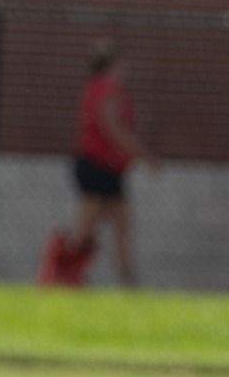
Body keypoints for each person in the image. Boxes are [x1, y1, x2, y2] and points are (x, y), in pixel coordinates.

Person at [57, 41, 156, 286]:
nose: (127, 68)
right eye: (123, 63)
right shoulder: (105, 88)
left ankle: (126, 279)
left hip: (110, 169)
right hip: (97, 166)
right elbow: (113, 130)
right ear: (112, 64)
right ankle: (60, 272)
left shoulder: (104, 89)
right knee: (85, 228)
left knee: (121, 222)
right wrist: (144, 155)